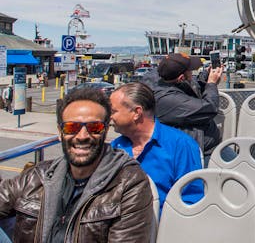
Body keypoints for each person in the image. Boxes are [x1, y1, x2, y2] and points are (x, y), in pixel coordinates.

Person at [0, 87, 153, 242]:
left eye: (94, 127)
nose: (82, 136)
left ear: (105, 131)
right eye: (71, 127)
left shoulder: (129, 184)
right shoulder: (39, 176)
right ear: (60, 133)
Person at [109, 82, 204, 215]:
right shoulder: (114, 148)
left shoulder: (180, 145)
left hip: (165, 229)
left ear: (137, 113)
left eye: (113, 111)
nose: (110, 117)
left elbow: (192, 199)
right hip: (121, 229)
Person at [147, 52, 224, 163]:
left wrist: (205, 77)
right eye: (190, 71)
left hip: (202, 145)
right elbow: (209, 108)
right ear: (181, 77)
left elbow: (191, 86)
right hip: (196, 153)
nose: (192, 74)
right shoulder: (168, 99)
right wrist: (212, 83)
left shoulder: (165, 79)